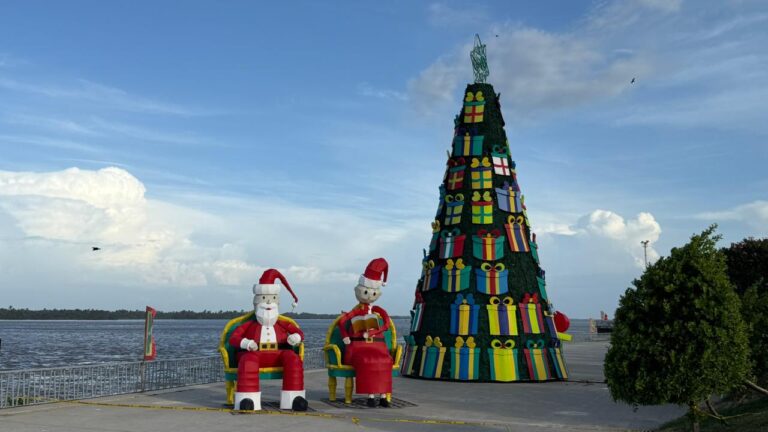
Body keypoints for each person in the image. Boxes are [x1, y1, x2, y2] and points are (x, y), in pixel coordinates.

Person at [229, 269, 307, 411]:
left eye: (272, 299)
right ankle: (248, 399)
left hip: (279, 354)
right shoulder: (249, 325)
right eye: (264, 299)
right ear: (257, 302)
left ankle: (294, 398)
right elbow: (233, 338)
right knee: (248, 361)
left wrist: (295, 337)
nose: (268, 303)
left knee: (293, 359)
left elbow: (299, 332)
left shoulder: (282, 323)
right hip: (255, 353)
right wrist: (246, 343)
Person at [338, 258, 394, 407]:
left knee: (384, 361)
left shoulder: (378, 311)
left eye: (373, 292)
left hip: (376, 346)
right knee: (367, 361)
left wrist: (375, 331)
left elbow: (387, 324)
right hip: (359, 348)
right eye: (366, 292)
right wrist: (345, 336)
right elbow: (341, 322)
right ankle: (370, 396)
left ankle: (383, 396)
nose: (369, 295)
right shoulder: (356, 311)